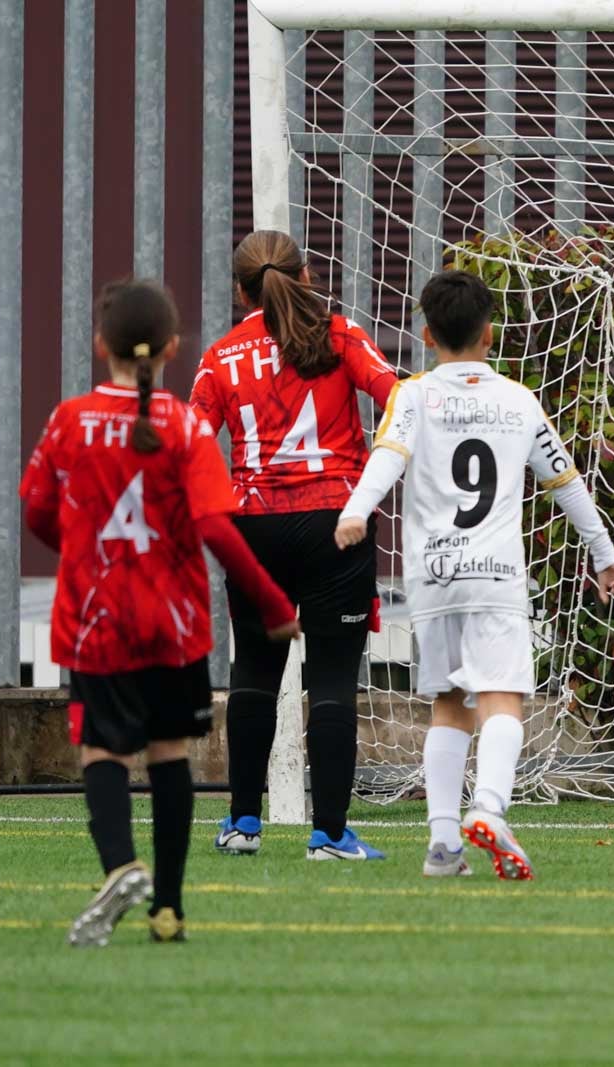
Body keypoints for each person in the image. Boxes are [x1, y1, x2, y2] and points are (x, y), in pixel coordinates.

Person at [21, 280, 299, 947]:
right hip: (173, 624)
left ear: (100, 345)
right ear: (174, 347)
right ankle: (168, 910)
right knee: (170, 751)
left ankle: (121, 865)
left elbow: (35, 509)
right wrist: (271, 601)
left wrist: (81, 546)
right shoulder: (186, 425)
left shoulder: (69, 420)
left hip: (96, 620)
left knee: (102, 749)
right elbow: (216, 526)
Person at [335, 270, 614, 879]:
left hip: (433, 574)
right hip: (493, 572)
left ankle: (444, 843)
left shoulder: (413, 395)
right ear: (490, 333)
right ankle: (491, 809)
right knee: (502, 697)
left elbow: (389, 455)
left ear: (425, 334)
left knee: (448, 702)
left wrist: (355, 511)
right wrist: (605, 557)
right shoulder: (518, 401)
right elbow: (566, 483)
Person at [191, 230, 398, 861]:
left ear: (239, 290)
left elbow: (193, 440)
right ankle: (330, 835)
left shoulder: (221, 356)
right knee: (333, 676)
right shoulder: (339, 336)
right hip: (337, 520)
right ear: (307, 274)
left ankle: (241, 825)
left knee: (254, 671)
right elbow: (400, 402)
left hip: (253, 525)